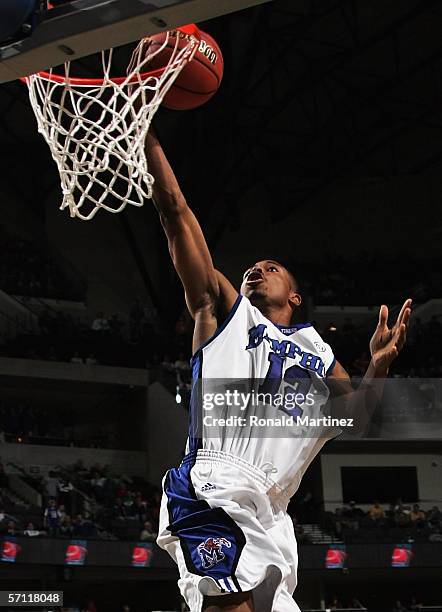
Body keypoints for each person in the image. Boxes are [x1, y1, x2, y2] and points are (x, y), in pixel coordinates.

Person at [145, 128, 411, 612]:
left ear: (295, 295)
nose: (256, 270)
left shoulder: (318, 350)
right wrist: (147, 136)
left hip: (273, 514)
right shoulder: (222, 313)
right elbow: (175, 212)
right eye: (252, 268)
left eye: (270, 267)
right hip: (214, 489)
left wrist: (377, 367)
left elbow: (355, 419)